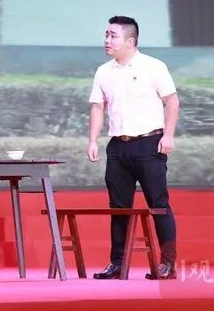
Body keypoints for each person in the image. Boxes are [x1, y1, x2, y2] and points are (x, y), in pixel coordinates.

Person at [87, 16, 180, 280]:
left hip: (149, 144)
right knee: (119, 207)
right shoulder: (103, 71)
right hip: (118, 147)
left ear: (130, 41)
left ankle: (168, 263)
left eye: (113, 36)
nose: (107, 40)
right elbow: (98, 106)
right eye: (106, 34)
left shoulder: (153, 66)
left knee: (158, 204)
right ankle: (118, 263)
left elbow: (172, 102)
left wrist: (168, 136)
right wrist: (93, 140)